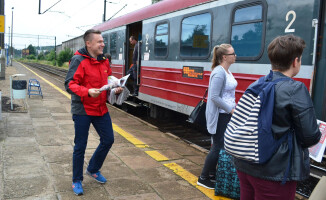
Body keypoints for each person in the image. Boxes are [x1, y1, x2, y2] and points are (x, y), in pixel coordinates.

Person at [233, 34, 321, 200]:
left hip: (244, 164)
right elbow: (310, 136)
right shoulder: (295, 88)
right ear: (295, 61)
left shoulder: (257, 83)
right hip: (274, 172)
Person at [65, 29, 123, 196]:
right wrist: (87, 91)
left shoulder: (104, 61)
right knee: (80, 146)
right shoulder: (78, 60)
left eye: (102, 41)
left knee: (108, 139)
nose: (103, 44)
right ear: (88, 43)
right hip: (82, 108)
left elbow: (109, 77)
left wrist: (115, 86)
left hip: (100, 107)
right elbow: (69, 84)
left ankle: (93, 168)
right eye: (99, 42)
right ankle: (76, 180)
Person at [197, 44, 238, 189]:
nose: (235, 55)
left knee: (220, 145)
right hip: (221, 115)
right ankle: (203, 177)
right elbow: (214, 97)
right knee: (218, 146)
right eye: (233, 54)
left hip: (226, 114)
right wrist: (231, 110)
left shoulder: (227, 71)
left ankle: (212, 175)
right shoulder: (219, 73)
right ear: (224, 57)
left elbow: (227, 95)